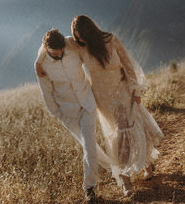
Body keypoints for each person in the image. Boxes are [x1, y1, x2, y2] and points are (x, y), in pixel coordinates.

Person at [70, 14, 164, 197]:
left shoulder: (111, 40)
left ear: (89, 30)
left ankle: (136, 172)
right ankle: (126, 178)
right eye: (76, 36)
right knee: (115, 136)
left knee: (127, 130)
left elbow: (128, 65)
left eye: (81, 35)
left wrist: (136, 91)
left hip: (122, 92)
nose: (79, 39)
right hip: (102, 99)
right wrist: (40, 62)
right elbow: (61, 47)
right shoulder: (80, 48)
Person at [35, 29, 105, 204]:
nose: (59, 54)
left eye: (61, 51)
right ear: (46, 48)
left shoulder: (69, 45)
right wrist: (57, 114)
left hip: (87, 103)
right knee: (88, 146)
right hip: (67, 112)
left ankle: (89, 188)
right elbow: (46, 92)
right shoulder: (42, 64)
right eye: (54, 53)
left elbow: (86, 43)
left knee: (89, 146)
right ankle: (110, 169)